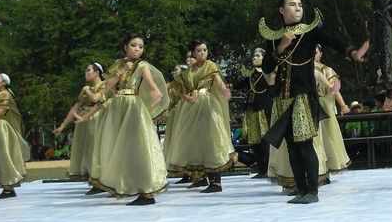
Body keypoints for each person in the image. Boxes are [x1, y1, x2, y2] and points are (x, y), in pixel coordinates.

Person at [260, 0, 368, 204]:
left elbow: (333, 41)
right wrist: (281, 46)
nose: (298, 8)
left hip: (303, 96)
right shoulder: (274, 38)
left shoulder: (310, 32)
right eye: (292, 4)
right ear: (281, 10)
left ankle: (312, 191)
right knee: (292, 148)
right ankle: (300, 190)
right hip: (283, 98)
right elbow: (266, 67)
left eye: (300, 4)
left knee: (304, 145)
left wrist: (353, 53)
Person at [93, 33, 169, 205]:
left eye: (140, 46)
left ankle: (146, 191)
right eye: (134, 45)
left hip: (133, 107)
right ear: (125, 47)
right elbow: (107, 86)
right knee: (120, 148)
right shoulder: (118, 64)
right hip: (117, 108)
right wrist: (121, 72)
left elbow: (150, 81)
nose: (137, 49)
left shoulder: (142, 65)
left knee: (138, 146)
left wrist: (155, 91)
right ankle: (125, 185)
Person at [166, 40, 235, 193]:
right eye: (199, 50)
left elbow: (219, 81)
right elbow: (181, 90)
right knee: (197, 141)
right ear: (194, 53)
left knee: (211, 140)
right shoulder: (188, 73)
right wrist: (188, 98)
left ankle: (216, 182)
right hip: (192, 108)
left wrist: (224, 91)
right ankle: (203, 178)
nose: (203, 53)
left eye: (205, 50)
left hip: (207, 105)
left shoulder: (211, 66)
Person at [53, 62, 107, 189]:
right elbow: (76, 107)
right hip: (84, 121)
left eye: (89, 70)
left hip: (97, 119)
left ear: (97, 73)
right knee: (86, 149)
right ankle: (93, 179)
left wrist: (87, 91)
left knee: (95, 148)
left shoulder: (104, 85)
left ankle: (100, 179)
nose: (86, 73)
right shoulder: (86, 89)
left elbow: (95, 99)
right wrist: (63, 125)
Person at [0, 72, 31, 199]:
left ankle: (8, 187)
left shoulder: (5, 95)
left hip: (0, 129)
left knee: (4, 157)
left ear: (4, 82)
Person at [232, 48, 272, 178]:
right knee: (255, 142)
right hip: (252, 111)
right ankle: (261, 170)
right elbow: (238, 85)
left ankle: (269, 170)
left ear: (264, 58)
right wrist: (224, 86)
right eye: (253, 56)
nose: (254, 58)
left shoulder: (269, 73)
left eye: (257, 56)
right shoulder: (251, 76)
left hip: (263, 110)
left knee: (265, 141)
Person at [314, 44, 350, 175]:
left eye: (315, 52)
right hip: (308, 103)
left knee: (328, 138)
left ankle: (327, 166)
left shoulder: (326, 70)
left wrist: (343, 105)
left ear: (321, 54)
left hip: (323, 105)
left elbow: (333, 89)